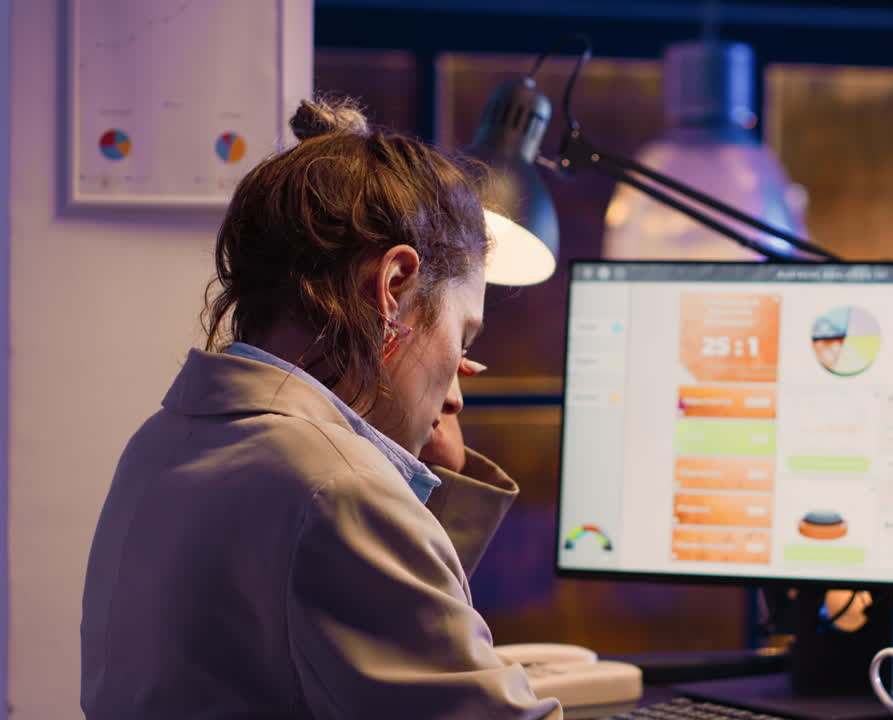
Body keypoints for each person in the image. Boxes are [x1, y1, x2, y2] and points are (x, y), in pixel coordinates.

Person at [80, 98, 562, 720]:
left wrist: (430, 474)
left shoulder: (164, 440)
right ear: (393, 288)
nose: (458, 390)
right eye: (462, 339)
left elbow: (373, 648)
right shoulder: (335, 491)